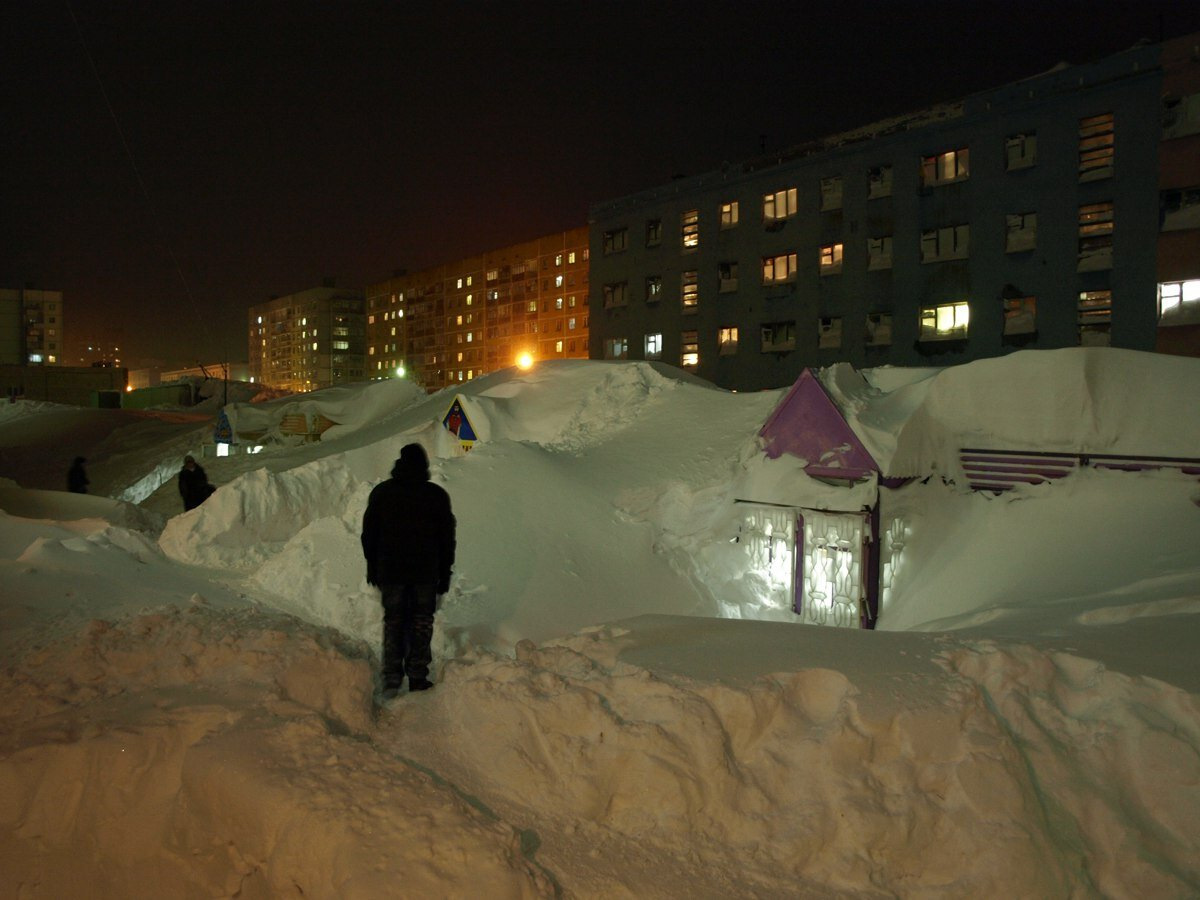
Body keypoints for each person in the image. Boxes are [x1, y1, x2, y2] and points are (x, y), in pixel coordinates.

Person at [361, 443, 456, 698]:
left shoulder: (382, 493)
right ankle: (417, 676)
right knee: (421, 623)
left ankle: (392, 677)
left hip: (391, 571)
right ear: (424, 466)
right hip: (426, 573)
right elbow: (447, 539)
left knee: (394, 622)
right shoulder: (436, 495)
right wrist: (445, 573)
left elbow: (369, 534)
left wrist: (372, 566)